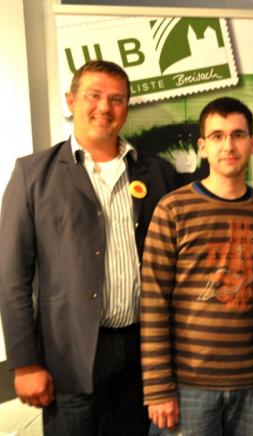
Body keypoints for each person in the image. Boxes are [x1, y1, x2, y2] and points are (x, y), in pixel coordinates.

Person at [0, 60, 178, 435]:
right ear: (71, 100)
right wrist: (24, 363)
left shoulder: (157, 172)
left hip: (143, 353)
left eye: (116, 99)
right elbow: (12, 276)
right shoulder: (33, 175)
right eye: (93, 96)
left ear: (126, 108)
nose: (104, 108)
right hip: (70, 358)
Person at [140, 97, 253, 436]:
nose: (228, 146)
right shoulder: (172, 209)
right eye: (217, 136)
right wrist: (158, 387)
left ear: (252, 144)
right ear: (203, 147)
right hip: (189, 385)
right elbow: (153, 302)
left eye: (237, 135)